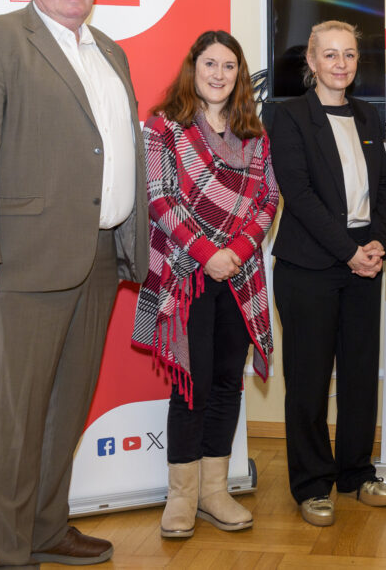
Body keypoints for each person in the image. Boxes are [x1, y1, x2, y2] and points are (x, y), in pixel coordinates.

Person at [0, 0, 148, 567]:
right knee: (13, 417)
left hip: (98, 257)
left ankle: (45, 527)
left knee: (65, 407)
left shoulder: (110, 51)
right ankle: (5, 551)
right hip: (21, 264)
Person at [131, 30, 278, 539]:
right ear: (193, 68)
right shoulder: (164, 127)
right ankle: (182, 497)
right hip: (188, 275)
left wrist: (235, 253)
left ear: (239, 76)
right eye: (210, 64)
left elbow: (268, 201)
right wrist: (208, 254)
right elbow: (159, 199)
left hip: (240, 277)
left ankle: (216, 492)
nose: (219, 74)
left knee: (225, 382)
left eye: (229, 66)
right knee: (190, 386)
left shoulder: (253, 132)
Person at [270, 21, 386, 527]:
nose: (340, 64)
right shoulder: (289, 116)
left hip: (365, 259)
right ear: (312, 62)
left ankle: (356, 472)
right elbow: (297, 196)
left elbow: (385, 187)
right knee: (309, 377)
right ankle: (312, 484)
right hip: (311, 266)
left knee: (361, 374)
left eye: (349, 55)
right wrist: (349, 251)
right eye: (330, 55)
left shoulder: (368, 114)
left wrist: (378, 243)